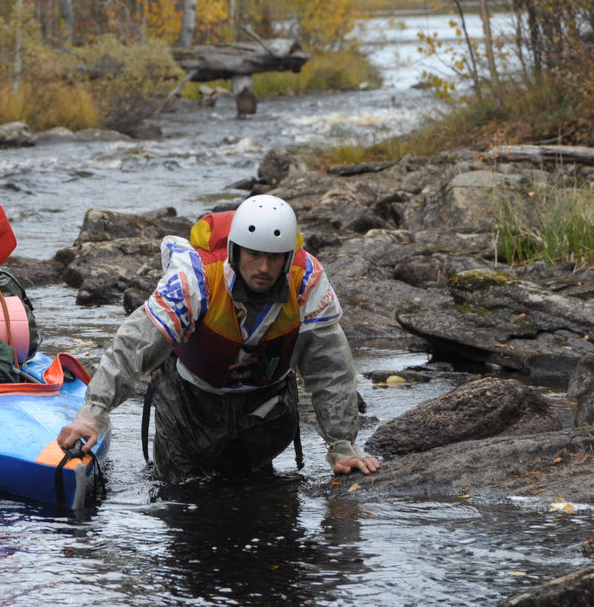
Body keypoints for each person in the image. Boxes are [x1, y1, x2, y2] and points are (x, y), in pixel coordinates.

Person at [57, 194, 380, 480]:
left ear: (288, 256)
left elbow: (330, 368)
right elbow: (132, 347)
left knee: (255, 493)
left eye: (275, 257)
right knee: (178, 497)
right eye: (254, 255)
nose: (264, 268)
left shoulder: (308, 280)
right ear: (235, 252)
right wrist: (93, 413)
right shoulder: (193, 278)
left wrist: (343, 446)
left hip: (265, 407)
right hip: (189, 402)